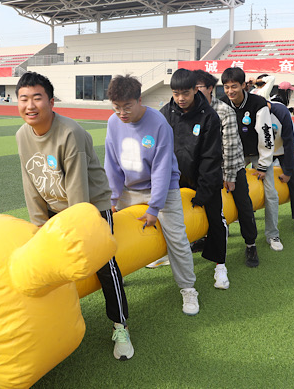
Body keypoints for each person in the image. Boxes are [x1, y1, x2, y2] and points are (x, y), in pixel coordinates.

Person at [14, 72, 133, 361]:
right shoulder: (22, 135)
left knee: (104, 263)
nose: (30, 105)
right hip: (55, 206)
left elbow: (78, 191)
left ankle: (121, 325)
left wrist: (74, 233)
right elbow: (30, 182)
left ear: (51, 102)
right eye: (23, 99)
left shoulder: (70, 133)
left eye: (37, 98)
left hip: (91, 205)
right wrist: (39, 225)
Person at [104, 74, 200, 315]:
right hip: (128, 190)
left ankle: (188, 288)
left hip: (164, 189)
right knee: (115, 234)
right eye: (116, 107)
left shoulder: (158, 124)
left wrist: (154, 207)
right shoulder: (113, 123)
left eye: (127, 106)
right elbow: (112, 164)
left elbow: (162, 168)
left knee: (176, 238)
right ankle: (118, 276)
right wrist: (112, 199)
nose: (122, 113)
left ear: (139, 100)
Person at [159, 69, 229, 289]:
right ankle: (167, 254)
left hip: (204, 177)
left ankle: (220, 265)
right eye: (176, 93)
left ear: (195, 90)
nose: (181, 98)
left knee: (215, 220)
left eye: (185, 93)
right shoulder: (165, 113)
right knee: (170, 219)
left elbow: (211, 156)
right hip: (174, 177)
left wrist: (204, 191)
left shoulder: (209, 116)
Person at [194, 69, 259, 268]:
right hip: (207, 169)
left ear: (210, 89)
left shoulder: (223, 111)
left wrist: (229, 176)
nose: (193, 92)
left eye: (197, 88)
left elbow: (229, 146)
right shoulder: (193, 110)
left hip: (232, 166)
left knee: (243, 205)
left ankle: (250, 244)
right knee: (204, 205)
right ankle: (206, 238)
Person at [220, 67, 274, 259]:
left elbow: (266, 135)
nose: (230, 91)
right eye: (226, 87)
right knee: (228, 192)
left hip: (258, 152)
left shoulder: (258, 103)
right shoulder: (222, 104)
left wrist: (263, 165)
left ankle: (272, 234)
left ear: (243, 85)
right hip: (236, 155)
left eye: (234, 86)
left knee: (270, 193)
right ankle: (225, 230)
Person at [267, 94, 294, 239]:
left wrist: (288, 172)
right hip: (265, 150)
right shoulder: (252, 114)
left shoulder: (281, 112)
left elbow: (289, 144)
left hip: (286, 149)